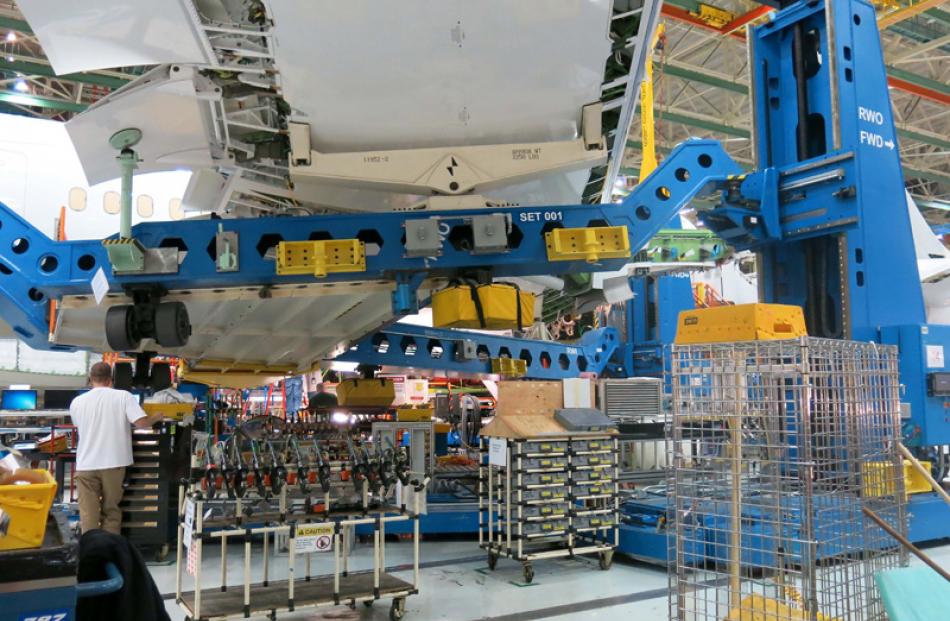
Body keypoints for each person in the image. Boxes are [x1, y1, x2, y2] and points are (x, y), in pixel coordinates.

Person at [69, 361, 163, 534]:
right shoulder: (123, 396)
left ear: (90, 379)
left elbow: (79, 426)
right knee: (111, 510)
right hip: (113, 464)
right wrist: (157, 416)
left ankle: (90, 552)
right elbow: (141, 424)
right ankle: (111, 550)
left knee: (88, 513)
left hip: (86, 465)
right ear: (110, 380)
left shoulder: (77, 402)